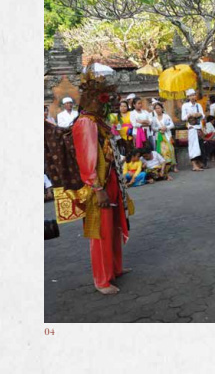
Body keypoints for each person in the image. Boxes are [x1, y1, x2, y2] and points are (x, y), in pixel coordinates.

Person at [58, 68, 134, 295]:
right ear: (93, 100)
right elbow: (86, 158)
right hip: (97, 184)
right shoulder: (85, 123)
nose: (108, 105)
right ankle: (102, 279)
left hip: (111, 179)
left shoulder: (99, 122)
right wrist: (97, 188)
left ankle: (115, 268)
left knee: (115, 225)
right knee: (101, 231)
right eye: (105, 100)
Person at [181, 88, 205, 171]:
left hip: (198, 127)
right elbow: (183, 118)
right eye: (191, 95)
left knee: (199, 145)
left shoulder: (198, 105)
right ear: (188, 97)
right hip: (191, 128)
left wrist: (199, 114)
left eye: (193, 95)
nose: (192, 97)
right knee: (193, 146)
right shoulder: (185, 106)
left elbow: (203, 116)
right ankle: (194, 165)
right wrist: (189, 115)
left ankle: (199, 162)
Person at [150, 100, 177, 172]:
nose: (157, 110)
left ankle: (174, 166)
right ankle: (165, 167)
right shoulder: (154, 119)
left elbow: (172, 125)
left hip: (167, 135)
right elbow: (153, 128)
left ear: (162, 108)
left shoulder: (166, 116)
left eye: (159, 108)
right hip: (159, 137)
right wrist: (159, 128)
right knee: (162, 152)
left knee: (171, 150)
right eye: (156, 108)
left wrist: (166, 128)